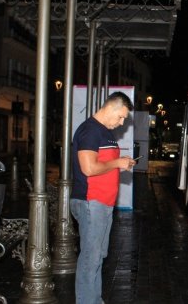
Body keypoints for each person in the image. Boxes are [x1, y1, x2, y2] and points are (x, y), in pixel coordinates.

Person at [70, 92, 135, 304]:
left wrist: (121, 162)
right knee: (90, 259)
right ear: (112, 108)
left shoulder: (105, 133)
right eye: (121, 117)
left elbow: (103, 166)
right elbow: (88, 168)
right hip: (91, 202)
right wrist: (117, 164)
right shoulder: (90, 131)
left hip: (103, 204)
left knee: (98, 257)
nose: (122, 122)